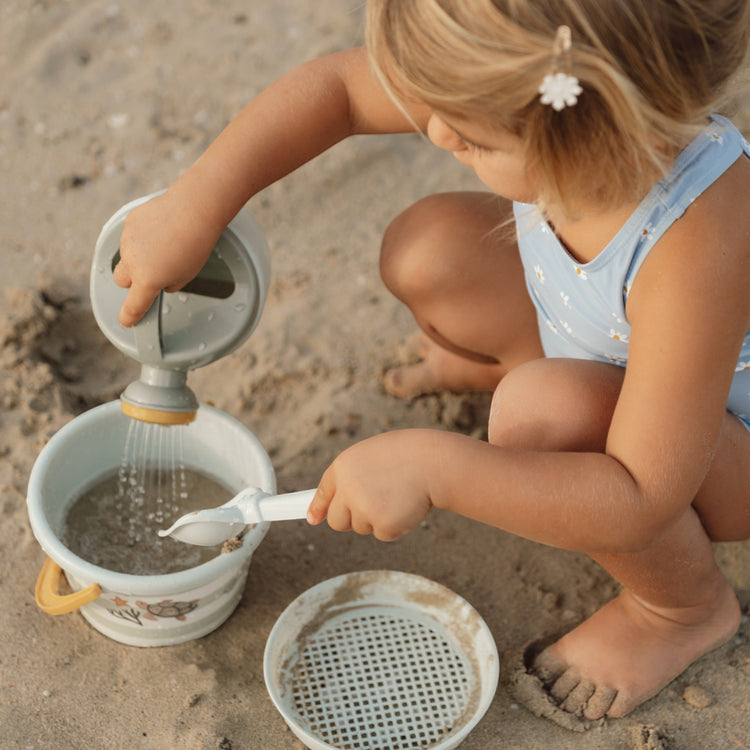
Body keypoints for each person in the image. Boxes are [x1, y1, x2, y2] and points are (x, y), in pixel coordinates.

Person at [113, 0, 750, 726]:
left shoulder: (696, 241)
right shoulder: (543, 96)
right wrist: (198, 199)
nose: (435, 129)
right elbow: (342, 91)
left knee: (540, 414)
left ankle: (682, 608)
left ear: (595, 132)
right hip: (608, 349)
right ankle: (515, 365)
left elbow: (641, 494)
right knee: (429, 249)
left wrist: (437, 469)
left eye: (471, 135)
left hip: (717, 449)